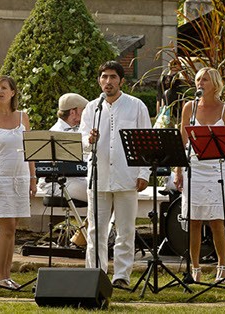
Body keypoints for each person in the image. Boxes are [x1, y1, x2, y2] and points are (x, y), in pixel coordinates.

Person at [79, 60, 151, 289]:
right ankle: (95, 275)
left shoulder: (136, 105)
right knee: (95, 231)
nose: (108, 82)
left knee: (125, 230)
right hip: (98, 176)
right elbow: (82, 143)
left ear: (121, 80)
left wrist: (144, 173)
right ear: (99, 80)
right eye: (104, 77)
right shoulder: (92, 107)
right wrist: (88, 141)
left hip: (126, 176)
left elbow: (146, 141)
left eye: (112, 77)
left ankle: (121, 276)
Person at [174, 67, 225, 283]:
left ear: (215, 83)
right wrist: (178, 170)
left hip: (217, 170)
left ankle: (222, 266)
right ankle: (195, 267)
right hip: (193, 167)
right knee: (193, 220)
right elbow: (183, 141)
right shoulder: (189, 108)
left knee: (216, 220)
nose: (200, 83)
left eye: (204, 79)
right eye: (198, 79)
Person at [0, 75, 37, 289]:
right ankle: (1, 276)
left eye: (4, 88)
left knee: (13, 228)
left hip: (20, 177)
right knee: (6, 227)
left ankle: (6, 274)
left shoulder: (23, 117)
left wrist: (32, 178)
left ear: (13, 92)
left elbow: (30, 150)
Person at [37, 92, 89, 202]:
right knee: (97, 193)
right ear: (73, 112)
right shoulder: (55, 133)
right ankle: (91, 220)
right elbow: (49, 168)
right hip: (55, 183)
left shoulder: (79, 130)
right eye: (83, 110)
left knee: (105, 190)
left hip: (76, 180)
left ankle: (90, 220)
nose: (86, 114)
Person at [156, 58, 186, 128]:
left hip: (164, 110)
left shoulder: (161, 79)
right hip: (175, 111)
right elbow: (182, 98)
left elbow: (159, 98)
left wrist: (158, 114)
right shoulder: (178, 80)